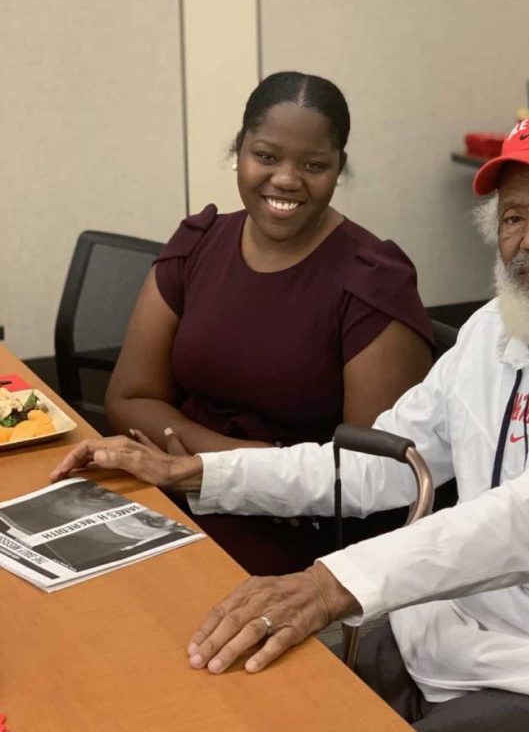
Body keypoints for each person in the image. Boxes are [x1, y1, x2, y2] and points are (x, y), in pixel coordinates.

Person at [52, 113, 529, 732]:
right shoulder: (493, 332)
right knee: (226, 692)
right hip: (446, 627)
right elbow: (384, 463)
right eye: (512, 217)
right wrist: (197, 472)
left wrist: (331, 582)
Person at [102, 71, 435, 575]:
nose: (286, 179)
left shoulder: (372, 280)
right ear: (239, 151)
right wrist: (231, 460)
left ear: (339, 167)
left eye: (314, 164)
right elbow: (126, 399)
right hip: (169, 492)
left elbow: (370, 479)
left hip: (296, 531)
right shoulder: (197, 243)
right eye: (266, 156)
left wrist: (204, 465)